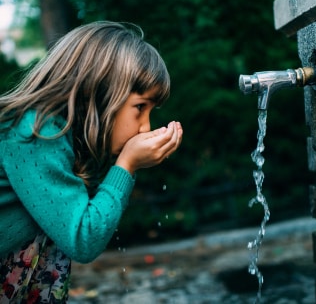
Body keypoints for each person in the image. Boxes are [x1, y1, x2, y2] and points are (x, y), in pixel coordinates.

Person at [0, 21, 183, 303]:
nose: (146, 127)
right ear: (97, 92)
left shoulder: (66, 140)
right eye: (140, 107)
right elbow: (83, 238)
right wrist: (126, 165)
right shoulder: (35, 132)